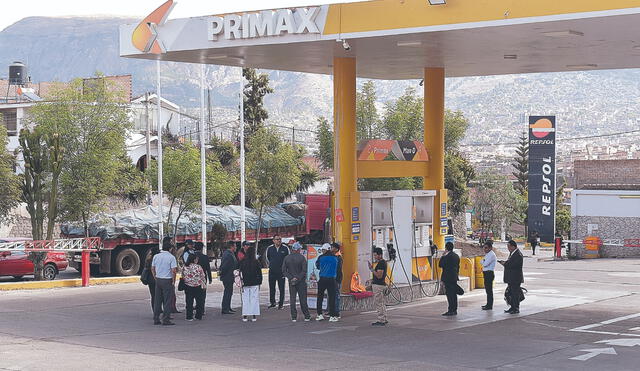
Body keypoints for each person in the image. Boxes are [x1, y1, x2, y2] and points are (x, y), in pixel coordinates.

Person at [151, 237, 178, 325]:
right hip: (167, 280)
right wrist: (173, 281)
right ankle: (166, 319)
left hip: (158, 279)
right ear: (170, 249)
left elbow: (152, 268)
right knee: (167, 300)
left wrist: (155, 276)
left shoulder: (156, 256)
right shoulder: (171, 257)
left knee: (157, 300)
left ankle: (156, 318)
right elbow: (173, 270)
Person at [282, 242, 311, 322]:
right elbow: (304, 270)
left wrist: (291, 278)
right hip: (301, 281)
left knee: (292, 299)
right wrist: (298, 278)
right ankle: (306, 316)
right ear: (298, 249)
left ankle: (294, 317)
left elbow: (284, 270)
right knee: (303, 299)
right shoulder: (302, 258)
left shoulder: (287, 258)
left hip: (291, 282)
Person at [315, 243, 339, 322]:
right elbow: (338, 269)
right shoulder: (335, 258)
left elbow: (318, 266)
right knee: (332, 297)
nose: (322, 251)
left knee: (320, 297)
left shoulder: (321, 257)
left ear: (325, 250)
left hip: (322, 279)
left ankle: (319, 314)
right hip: (332, 279)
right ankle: (332, 316)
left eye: (322, 250)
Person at [499, 240, 524, 314]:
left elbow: (514, 265)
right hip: (511, 277)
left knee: (515, 293)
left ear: (513, 246)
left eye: (509, 246)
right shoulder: (512, 253)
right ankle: (512, 307)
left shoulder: (518, 254)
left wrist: (505, 264)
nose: (508, 248)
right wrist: (505, 263)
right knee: (511, 293)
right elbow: (510, 263)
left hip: (515, 278)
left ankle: (516, 308)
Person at [239, 244, 262, 322]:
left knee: (245, 299)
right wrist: (260, 282)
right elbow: (259, 273)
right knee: (254, 299)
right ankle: (254, 316)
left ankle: (245, 316)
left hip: (245, 283)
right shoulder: (256, 262)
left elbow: (240, 272)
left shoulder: (243, 261)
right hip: (254, 283)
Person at [266, 234, 289, 309]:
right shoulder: (270, 248)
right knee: (272, 288)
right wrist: (271, 265)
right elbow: (267, 258)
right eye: (277, 239)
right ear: (273, 240)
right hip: (272, 271)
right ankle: (272, 302)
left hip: (281, 272)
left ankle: (281, 304)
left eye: (279, 239)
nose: (279, 240)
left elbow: (287, 259)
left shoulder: (285, 248)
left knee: (281, 288)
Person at [182, 254, 206, 321]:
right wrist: (204, 284)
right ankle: (198, 316)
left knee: (189, 302)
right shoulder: (198, 267)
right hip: (197, 286)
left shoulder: (185, 267)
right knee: (199, 302)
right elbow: (202, 276)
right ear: (194, 259)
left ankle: (189, 316)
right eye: (196, 259)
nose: (197, 260)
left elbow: (183, 276)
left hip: (188, 286)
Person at [439, 241, 460, 316]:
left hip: (447, 278)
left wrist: (443, 256)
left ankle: (451, 310)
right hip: (454, 277)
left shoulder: (447, 257)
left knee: (450, 294)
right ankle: (454, 309)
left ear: (446, 248)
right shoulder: (456, 256)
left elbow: (440, 265)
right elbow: (458, 267)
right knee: (454, 294)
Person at [369, 247, 388, 326]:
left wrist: (372, 269)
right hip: (381, 285)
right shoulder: (383, 263)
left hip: (378, 286)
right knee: (382, 303)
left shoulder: (381, 263)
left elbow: (379, 276)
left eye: (376, 255)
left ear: (380, 255)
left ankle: (381, 320)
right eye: (374, 255)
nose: (375, 257)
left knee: (379, 303)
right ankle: (384, 318)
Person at [219, 241, 238, 314]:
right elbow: (224, 266)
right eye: (235, 246)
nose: (236, 248)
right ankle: (225, 309)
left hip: (230, 276)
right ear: (232, 246)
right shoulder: (228, 254)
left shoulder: (229, 253)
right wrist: (223, 275)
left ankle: (228, 307)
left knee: (229, 293)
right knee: (227, 292)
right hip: (227, 277)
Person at [193, 242, 212, 314]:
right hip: (203, 278)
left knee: (194, 294)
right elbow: (208, 269)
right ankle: (201, 310)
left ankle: (196, 308)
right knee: (202, 295)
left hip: (194, 278)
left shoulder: (192, 256)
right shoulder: (205, 257)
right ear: (201, 248)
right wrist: (210, 278)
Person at [480, 240, 497, 310]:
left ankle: (490, 305)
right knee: (487, 290)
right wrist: (483, 261)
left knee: (489, 290)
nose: (484, 249)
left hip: (489, 273)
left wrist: (483, 261)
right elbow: (481, 261)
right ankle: (488, 304)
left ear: (490, 248)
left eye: (486, 248)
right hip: (486, 273)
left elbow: (485, 264)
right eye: (484, 248)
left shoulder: (491, 255)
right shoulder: (487, 254)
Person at [144, 246, 160, 314]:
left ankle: (155, 311)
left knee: (153, 296)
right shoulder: (157, 259)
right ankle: (158, 310)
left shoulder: (148, 259)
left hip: (150, 280)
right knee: (159, 296)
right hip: (156, 279)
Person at [331, 242, 343, 318]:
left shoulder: (338, 257)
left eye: (332, 247)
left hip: (336, 279)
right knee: (331, 295)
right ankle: (331, 311)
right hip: (332, 278)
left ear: (336, 249)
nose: (331, 249)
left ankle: (337, 312)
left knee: (336, 296)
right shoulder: (333, 256)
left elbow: (338, 269)